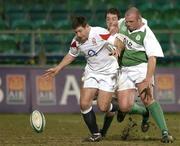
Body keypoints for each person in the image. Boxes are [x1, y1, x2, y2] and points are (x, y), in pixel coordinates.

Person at [42, 15, 124, 142]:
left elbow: (117, 39)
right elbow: (71, 54)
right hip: (92, 72)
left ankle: (122, 107)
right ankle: (96, 134)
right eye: (76, 32)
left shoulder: (99, 33)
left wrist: (117, 48)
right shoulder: (76, 41)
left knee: (103, 107)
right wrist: (58, 68)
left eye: (80, 31)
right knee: (84, 103)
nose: (78, 34)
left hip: (109, 72)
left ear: (87, 27)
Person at [115, 7, 173, 143]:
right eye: (127, 21)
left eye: (131, 22)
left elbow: (152, 58)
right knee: (123, 106)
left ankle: (165, 133)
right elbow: (118, 34)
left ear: (139, 20)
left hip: (141, 68)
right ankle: (144, 113)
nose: (127, 24)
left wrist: (148, 79)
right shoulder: (123, 23)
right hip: (124, 69)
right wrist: (117, 46)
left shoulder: (147, 33)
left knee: (147, 99)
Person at [100, 7, 150, 138]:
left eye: (114, 19)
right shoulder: (103, 34)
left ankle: (144, 112)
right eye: (108, 19)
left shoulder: (124, 31)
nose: (111, 22)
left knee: (118, 104)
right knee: (109, 103)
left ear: (120, 20)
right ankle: (104, 131)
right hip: (109, 73)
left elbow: (142, 21)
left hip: (123, 72)